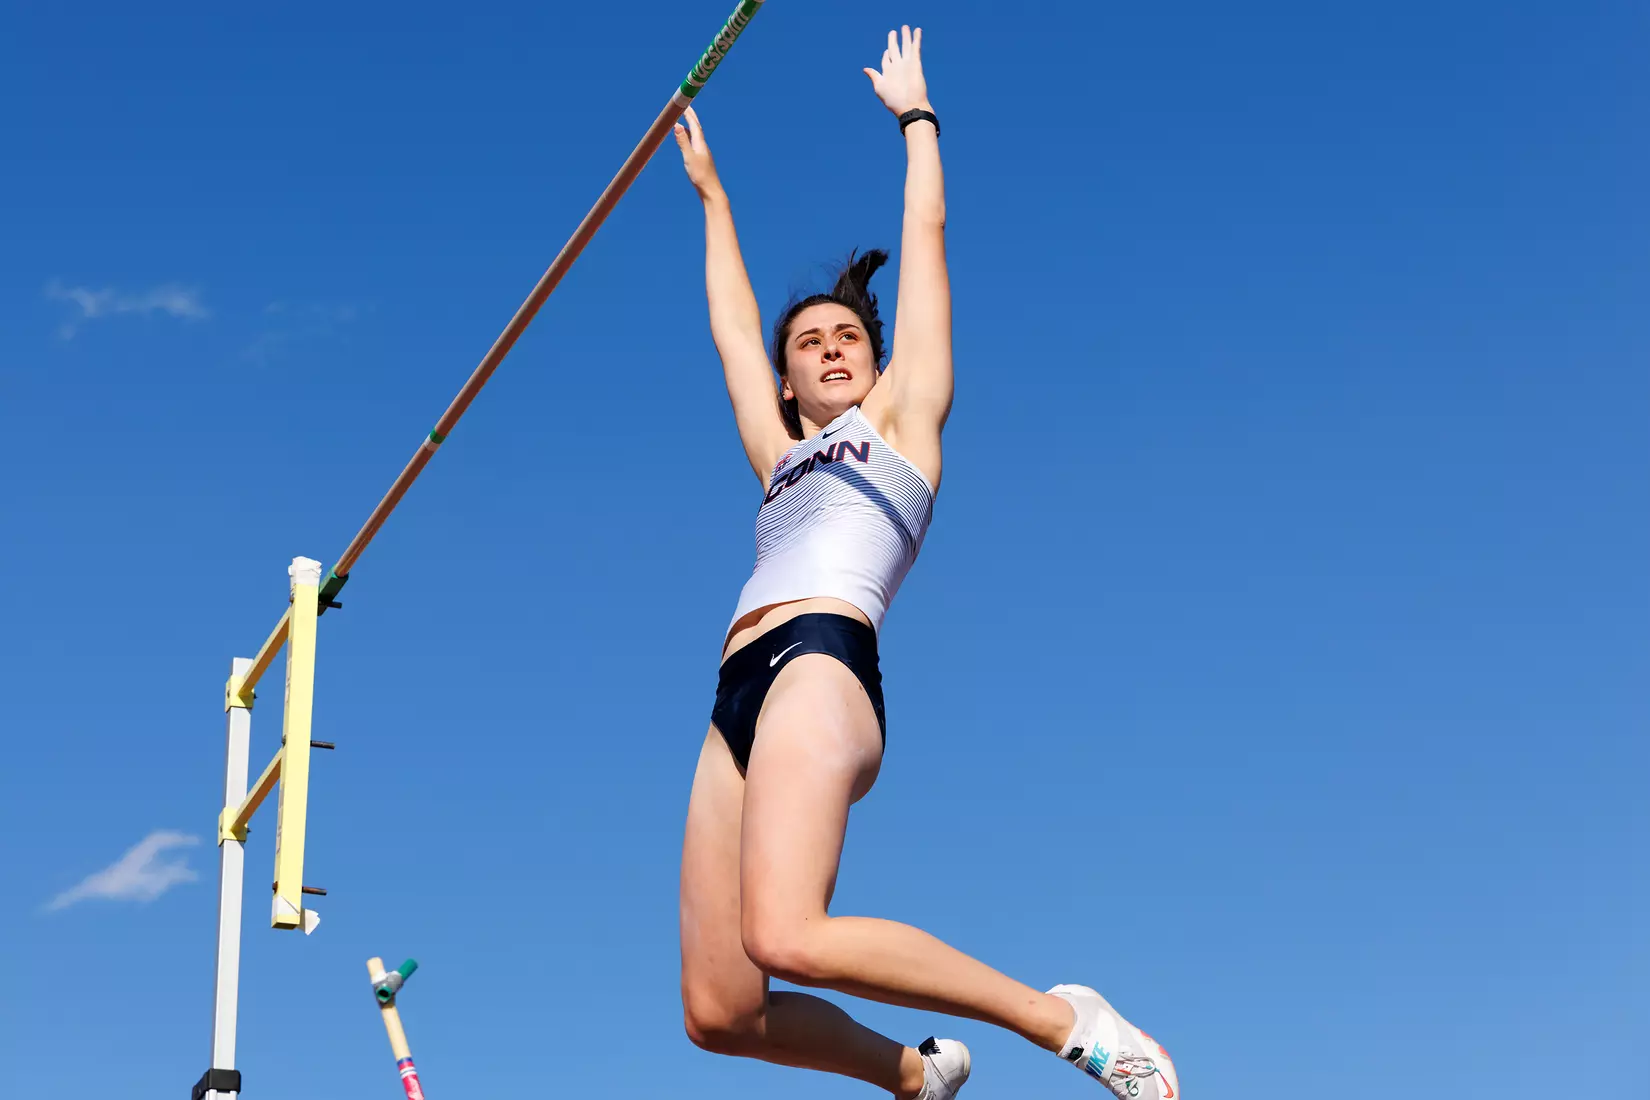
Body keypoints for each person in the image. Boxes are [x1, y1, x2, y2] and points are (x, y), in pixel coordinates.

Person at [669, 25, 1180, 1100]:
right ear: (789, 381)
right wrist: (712, 197)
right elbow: (728, 335)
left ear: (876, 356)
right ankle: (915, 1073)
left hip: (821, 660)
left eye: (848, 333)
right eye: (808, 342)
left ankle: (1061, 1015)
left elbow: (927, 229)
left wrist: (916, 121)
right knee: (719, 1009)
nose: (831, 345)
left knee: (790, 931)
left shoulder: (902, 422)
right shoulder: (779, 459)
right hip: (733, 697)